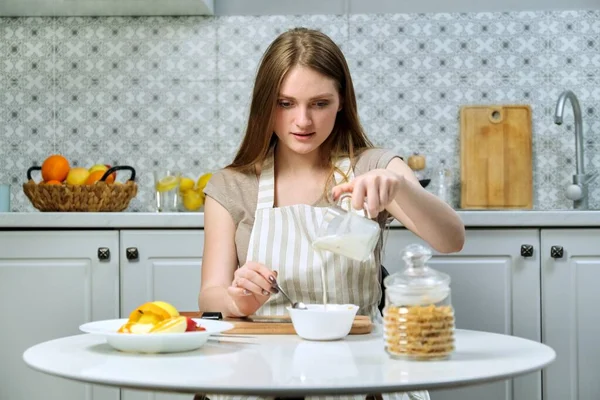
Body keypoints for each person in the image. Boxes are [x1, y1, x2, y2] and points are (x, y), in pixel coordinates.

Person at [199, 27, 465, 400]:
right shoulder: (232, 184)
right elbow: (210, 292)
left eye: (320, 103)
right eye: (285, 103)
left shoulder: (372, 165)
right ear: (264, 105)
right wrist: (234, 301)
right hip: (261, 373)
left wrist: (401, 187)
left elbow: (452, 239)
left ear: (341, 102)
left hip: (362, 373)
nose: (303, 121)